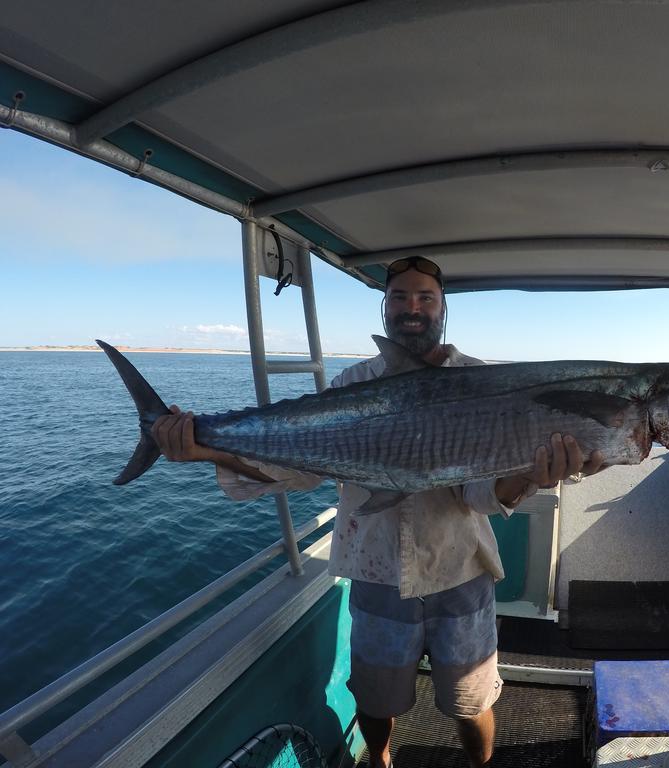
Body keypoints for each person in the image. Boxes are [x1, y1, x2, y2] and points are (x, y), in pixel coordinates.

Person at [150, 255, 604, 768]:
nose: (412, 308)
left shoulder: (482, 384)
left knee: (471, 699)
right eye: (400, 298)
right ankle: (380, 762)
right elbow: (298, 472)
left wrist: (529, 475)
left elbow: (477, 495)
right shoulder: (352, 386)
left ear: (442, 308)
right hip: (377, 570)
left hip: (460, 571)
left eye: (424, 298)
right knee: (375, 699)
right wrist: (207, 447)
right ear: (386, 309)